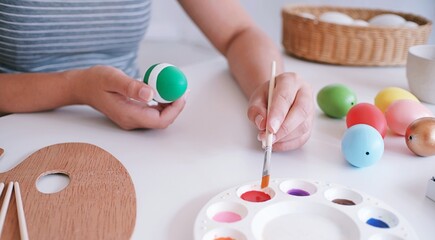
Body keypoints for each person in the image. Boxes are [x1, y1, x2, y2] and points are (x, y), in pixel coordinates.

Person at [0, 0, 314, 151]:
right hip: (13, 137)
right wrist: (78, 88)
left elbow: (239, 33)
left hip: (126, 141)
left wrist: (270, 87)